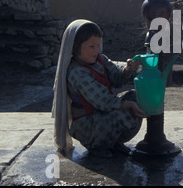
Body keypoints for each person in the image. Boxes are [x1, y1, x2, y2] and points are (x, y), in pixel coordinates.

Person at [52, 19, 146, 158]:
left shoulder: (100, 59)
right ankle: (97, 146)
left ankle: (114, 142)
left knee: (138, 97)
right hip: (87, 123)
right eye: (91, 46)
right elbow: (101, 100)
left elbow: (117, 77)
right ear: (75, 47)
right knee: (125, 113)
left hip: (102, 114)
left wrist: (127, 70)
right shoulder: (77, 72)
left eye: (98, 45)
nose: (96, 50)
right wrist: (127, 104)